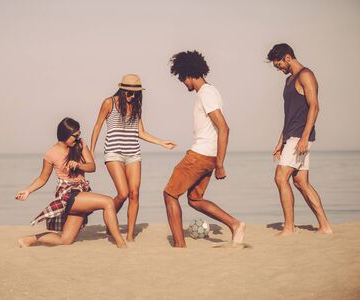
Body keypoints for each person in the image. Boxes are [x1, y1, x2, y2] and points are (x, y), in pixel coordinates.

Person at [164, 50, 245, 248]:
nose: (183, 83)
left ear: (188, 74)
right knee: (194, 199)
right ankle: (235, 224)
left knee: (170, 194)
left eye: (182, 79)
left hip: (200, 155)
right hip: (206, 156)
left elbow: (224, 127)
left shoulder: (206, 93)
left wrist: (220, 164)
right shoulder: (211, 91)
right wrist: (215, 161)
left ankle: (179, 244)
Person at [15, 117, 127, 248]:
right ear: (65, 135)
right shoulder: (51, 153)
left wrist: (79, 165)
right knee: (108, 202)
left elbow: (92, 167)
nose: (78, 138)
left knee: (66, 240)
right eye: (75, 136)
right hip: (67, 194)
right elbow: (42, 178)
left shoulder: (80, 144)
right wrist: (28, 190)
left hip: (81, 192)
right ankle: (121, 243)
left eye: (79, 135)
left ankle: (29, 240)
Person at [90, 74, 176, 242]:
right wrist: (91, 151)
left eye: (136, 93)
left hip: (133, 153)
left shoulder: (136, 106)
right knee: (122, 193)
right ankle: (109, 215)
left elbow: (141, 132)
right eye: (129, 92)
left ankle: (130, 236)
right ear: (122, 89)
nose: (132, 96)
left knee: (134, 193)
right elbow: (98, 125)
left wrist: (161, 142)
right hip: (114, 152)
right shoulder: (109, 102)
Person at [267, 43, 333, 235]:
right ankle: (325, 226)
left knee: (280, 177)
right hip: (292, 136)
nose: (279, 69)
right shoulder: (288, 81)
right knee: (301, 182)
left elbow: (314, 107)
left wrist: (304, 138)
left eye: (279, 64)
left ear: (288, 58)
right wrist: (281, 141)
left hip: (300, 136)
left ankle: (289, 228)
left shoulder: (306, 75)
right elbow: (290, 115)